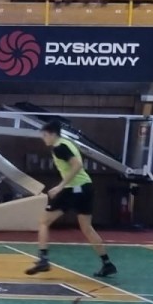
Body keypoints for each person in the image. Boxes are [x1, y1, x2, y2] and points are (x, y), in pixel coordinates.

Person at [25, 119, 116, 279]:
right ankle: (107, 263)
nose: (43, 138)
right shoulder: (67, 143)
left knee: (44, 221)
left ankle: (43, 259)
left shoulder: (59, 147)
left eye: (45, 135)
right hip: (86, 187)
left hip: (74, 188)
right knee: (87, 228)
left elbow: (77, 165)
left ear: (52, 134)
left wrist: (60, 186)